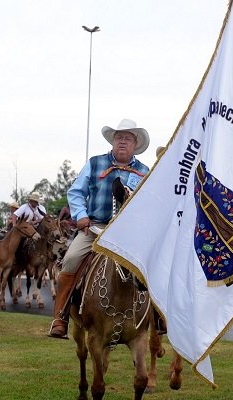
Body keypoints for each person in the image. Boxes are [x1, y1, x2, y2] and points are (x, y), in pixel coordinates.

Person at [49, 118, 150, 339]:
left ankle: (158, 319)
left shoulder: (145, 171)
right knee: (71, 259)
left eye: (128, 138)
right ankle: (60, 318)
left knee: (152, 264)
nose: (122, 141)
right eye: (119, 137)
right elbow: (76, 192)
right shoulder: (95, 163)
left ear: (135, 144)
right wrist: (81, 216)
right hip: (95, 229)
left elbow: (150, 203)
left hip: (128, 234)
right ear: (113, 141)